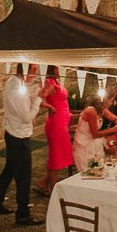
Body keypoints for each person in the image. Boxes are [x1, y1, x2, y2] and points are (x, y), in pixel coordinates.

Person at [0, 63, 43, 225]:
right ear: (25, 72)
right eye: (33, 71)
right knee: (24, 177)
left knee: (9, 170)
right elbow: (27, 117)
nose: (35, 74)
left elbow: (23, 108)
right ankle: (23, 214)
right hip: (19, 138)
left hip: (12, 134)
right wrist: (40, 98)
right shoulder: (18, 92)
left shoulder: (13, 83)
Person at [36, 65, 73, 196]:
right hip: (56, 123)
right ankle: (53, 190)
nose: (62, 68)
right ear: (53, 69)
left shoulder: (58, 82)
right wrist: (48, 106)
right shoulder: (49, 82)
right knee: (56, 157)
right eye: (59, 67)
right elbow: (40, 97)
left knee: (62, 155)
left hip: (63, 121)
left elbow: (62, 101)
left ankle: (43, 183)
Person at [72, 98, 117, 172]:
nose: (111, 104)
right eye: (110, 101)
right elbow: (95, 134)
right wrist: (114, 129)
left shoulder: (102, 110)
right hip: (86, 143)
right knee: (115, 145)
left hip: (95, 139)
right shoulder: (91, 111)